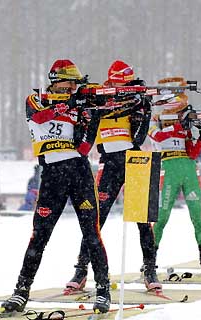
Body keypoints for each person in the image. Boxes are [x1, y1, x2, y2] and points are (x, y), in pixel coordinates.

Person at [1, 59, 110, 315]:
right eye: (69, 83)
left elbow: (83, 147)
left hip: (79, 173)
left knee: (91, 233)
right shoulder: (36, 98)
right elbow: (40, 116)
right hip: (51, 176)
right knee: (39, 236)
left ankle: (104, 290)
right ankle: (21, 291)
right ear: (56, 80)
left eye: (75, 85)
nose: (73, 88)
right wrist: (70, 104)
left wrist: (90, 115)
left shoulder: (79, 106)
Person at [66, 60, 162, 292]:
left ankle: (149, 268)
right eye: (124, 84)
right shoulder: (98, 96)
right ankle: (81, 270)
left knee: (143, 220)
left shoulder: (133, 100)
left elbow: (138, 138)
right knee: (96, 219)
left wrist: (143, 107)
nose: (128, 87)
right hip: (109, 164)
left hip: (134, 160)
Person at [148, 90, 201, 274]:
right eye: (179, 111)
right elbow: (159, 137)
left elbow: (192, 153)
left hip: (188, 169)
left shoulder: (183, 127)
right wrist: (179, 126)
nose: (181, 115)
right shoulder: (154, 121)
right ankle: (149, 261)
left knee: (198, 217)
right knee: (161, 217)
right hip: (169, 169)